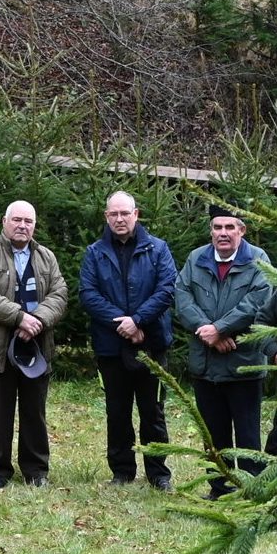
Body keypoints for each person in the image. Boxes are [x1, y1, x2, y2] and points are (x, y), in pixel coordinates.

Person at [174, 212, 277, 495]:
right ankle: (218, 488)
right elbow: (182, 297)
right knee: (213, 433)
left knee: (247, 435)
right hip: (205, 363)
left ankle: (250, 490)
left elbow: (257, 303)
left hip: (243, 364)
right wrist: (206, 331)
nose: (223, 233)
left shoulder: (258, 261)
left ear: (242, 230)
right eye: (217, 227)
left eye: (230, 227)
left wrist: (221, 329)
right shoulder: (196, 259)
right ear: (210, 231)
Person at [80, 192, 179, 490]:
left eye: (125, 213)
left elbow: (167, 290)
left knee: (153, 412)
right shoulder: (95, 252)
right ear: (106, 217)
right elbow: (88, 294)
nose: (119, 219)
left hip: (151, 343)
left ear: (136, 214)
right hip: (111, 347)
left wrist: (137, 320)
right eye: (114, 214)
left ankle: (158, 473)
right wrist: (122, 323)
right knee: (117, 412)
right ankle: (122, 471)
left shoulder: (158, 249)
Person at [0, 201, 70, 489]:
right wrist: (19, 317)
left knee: (34, 412)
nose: (22, 225)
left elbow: (59, 294)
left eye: (28, 221)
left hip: (36, 347)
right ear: (4, 221)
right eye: (17, 220)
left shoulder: (46, 257)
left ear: (34, 225)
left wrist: (37, 319)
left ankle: (36, 470)